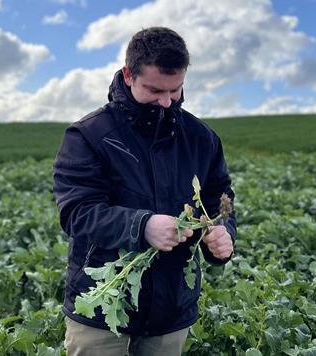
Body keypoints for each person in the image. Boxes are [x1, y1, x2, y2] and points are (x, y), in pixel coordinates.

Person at [53, 26, 236, 356]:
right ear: (128, 75)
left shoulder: (201, 138)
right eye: (154, 90)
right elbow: (76, 213)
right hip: (102, 307)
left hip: (171, 310)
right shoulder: (89, 135)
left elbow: (219, 199)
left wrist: (223, 234)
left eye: (176, 90)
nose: (167, 101)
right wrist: (142, 226)